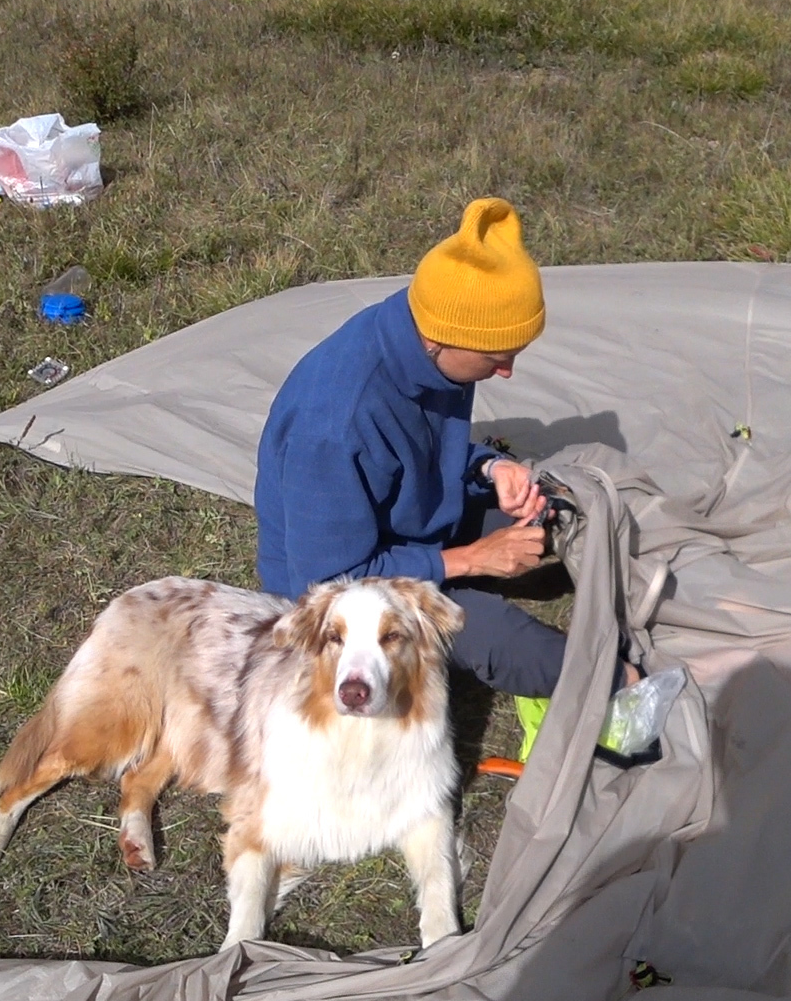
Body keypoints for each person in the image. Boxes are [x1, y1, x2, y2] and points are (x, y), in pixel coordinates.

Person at [255, 197, 634, 700]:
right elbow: (327, 581)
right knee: (503, 639)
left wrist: (490, 468)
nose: (507, 372)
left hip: (412, 520)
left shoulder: (430, 333)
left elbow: (425, 446)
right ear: (442, 340)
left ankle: (631, 589)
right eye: (499, 358)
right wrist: (472, 559)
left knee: (559, 514)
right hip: (341, 590)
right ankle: (621, 681)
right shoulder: (333, 426)